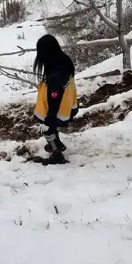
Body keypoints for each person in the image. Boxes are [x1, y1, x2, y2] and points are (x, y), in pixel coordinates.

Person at [33, 34, 79, 165]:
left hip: (58, 106)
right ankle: (57, 144)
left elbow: (55, 95)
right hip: (67, 103)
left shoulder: (55, 75)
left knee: (47, 129)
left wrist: (50, 118)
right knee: (49, 127)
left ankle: (56, 153)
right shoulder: (63, 60)